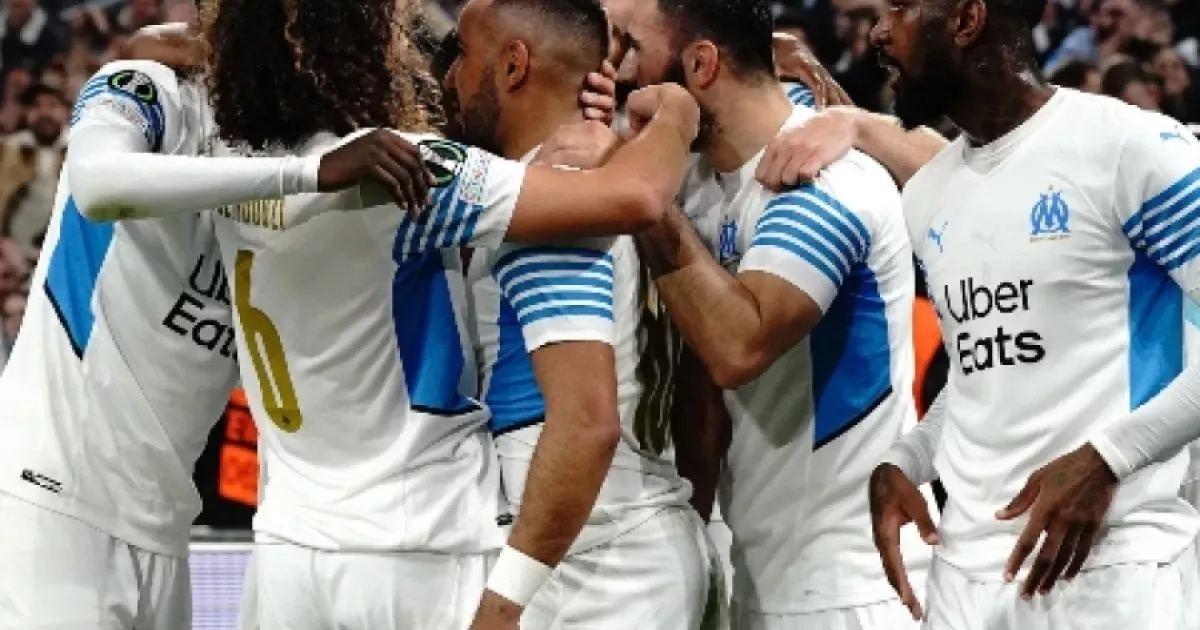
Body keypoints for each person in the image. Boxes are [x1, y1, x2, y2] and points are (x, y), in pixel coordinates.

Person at [67, 1, 704, 628]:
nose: (442, 78)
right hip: (435, 541)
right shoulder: (420, 174)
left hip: (294, 541)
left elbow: (148, 55)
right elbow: (635, 197)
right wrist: (673, 112)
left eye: (460, 57)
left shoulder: (234, 167)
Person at [865, 0, 1200, 624]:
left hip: (1109, 568)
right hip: (962, 577)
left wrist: (1111, 457)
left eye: (901, 7)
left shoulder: (1129, 147)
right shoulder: (926, 195)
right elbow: (983, 371)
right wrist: (909, 457)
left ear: (966, 19)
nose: (879, 32)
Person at [623, 0, 931, 628]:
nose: (622, 72)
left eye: (631, 47)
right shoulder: (699, 175)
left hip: (853, 587)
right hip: (757, 571)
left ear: (701, 65)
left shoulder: (822, 179)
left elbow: (739, 346)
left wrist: (642, 194)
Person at [447, 1, 715, 628]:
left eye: (463, 53)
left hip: (592, 571)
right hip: (626, 542)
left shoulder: (554, 192)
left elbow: (588, 424)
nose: (451, 76)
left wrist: (502, 602)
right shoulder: (601, 178)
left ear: (514, 65)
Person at [0, 58, 241, 629]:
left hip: (166, 525)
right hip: (57, 501)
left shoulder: (308, 176)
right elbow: (99, 182)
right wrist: (307, 175)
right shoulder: (156, 91)